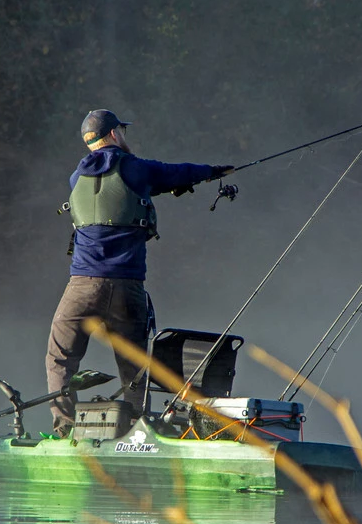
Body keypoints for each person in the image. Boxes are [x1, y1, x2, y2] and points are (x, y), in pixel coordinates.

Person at [45, 109, 233, 437]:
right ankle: (137, 435)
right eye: (122, 131)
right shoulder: (136, 168)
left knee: (60, 358)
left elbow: (120, 190)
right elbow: (176, 172)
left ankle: (64, 431)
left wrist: (156, 188)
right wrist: (213, 171)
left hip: (82, 286)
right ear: (115, 134)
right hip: (127, 286)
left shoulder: (76, 177)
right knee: (133, 368)